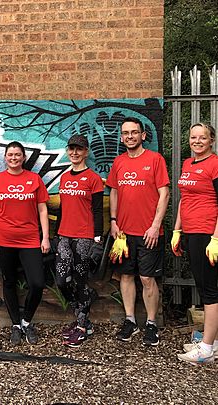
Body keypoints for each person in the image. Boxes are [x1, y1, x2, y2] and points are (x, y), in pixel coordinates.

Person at [106, 116, 170, 346]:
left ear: (143, 135)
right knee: (125, 275)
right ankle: (130, 320)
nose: (130, 136)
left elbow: (164, 194)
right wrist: (113, 221)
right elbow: (113, 192)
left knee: (147, 277)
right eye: (126, 133)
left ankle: (151, 323)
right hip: (123, 233)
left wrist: (155, 226)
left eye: (134, 132)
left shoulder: (155, 159)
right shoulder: (119, 162)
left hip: (149, 232)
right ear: (122, 137)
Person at [0, 141, 50, 345]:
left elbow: (42, 209)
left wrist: (45, 237)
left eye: (17, 155)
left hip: (30, 239)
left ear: (23, 157)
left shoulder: (34, 179)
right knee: (9, 282)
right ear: (5, 157)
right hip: (4, 240)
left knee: (37, 283)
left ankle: (26, 321)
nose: (14, 158)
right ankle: (15, 325)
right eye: (10, 154)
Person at [173, 123, 218, 364]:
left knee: (209, 290)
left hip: (206, 232)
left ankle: (207, 349)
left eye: (203, 137)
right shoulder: (188, 164)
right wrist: (177, 230)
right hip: (190, 231)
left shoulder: (215, 164)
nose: (197, 141)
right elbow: (184, 199)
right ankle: (214, 341)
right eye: (193, 137)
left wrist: (216, 238)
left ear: (211, 140)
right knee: (203, 286)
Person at [55, 134, 104, 347]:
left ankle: (82, 327)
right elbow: (63, 208)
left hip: (84, 237)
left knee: (80, 280)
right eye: (71, 149)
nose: (74, 153)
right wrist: (56, 234)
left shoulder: (93, 179)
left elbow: (97, 210)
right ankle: (83, 315)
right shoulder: (64, 178)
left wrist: (97, 238)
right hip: (65, 235)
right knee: (61, 280)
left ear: (86, 152)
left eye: (79, 149)